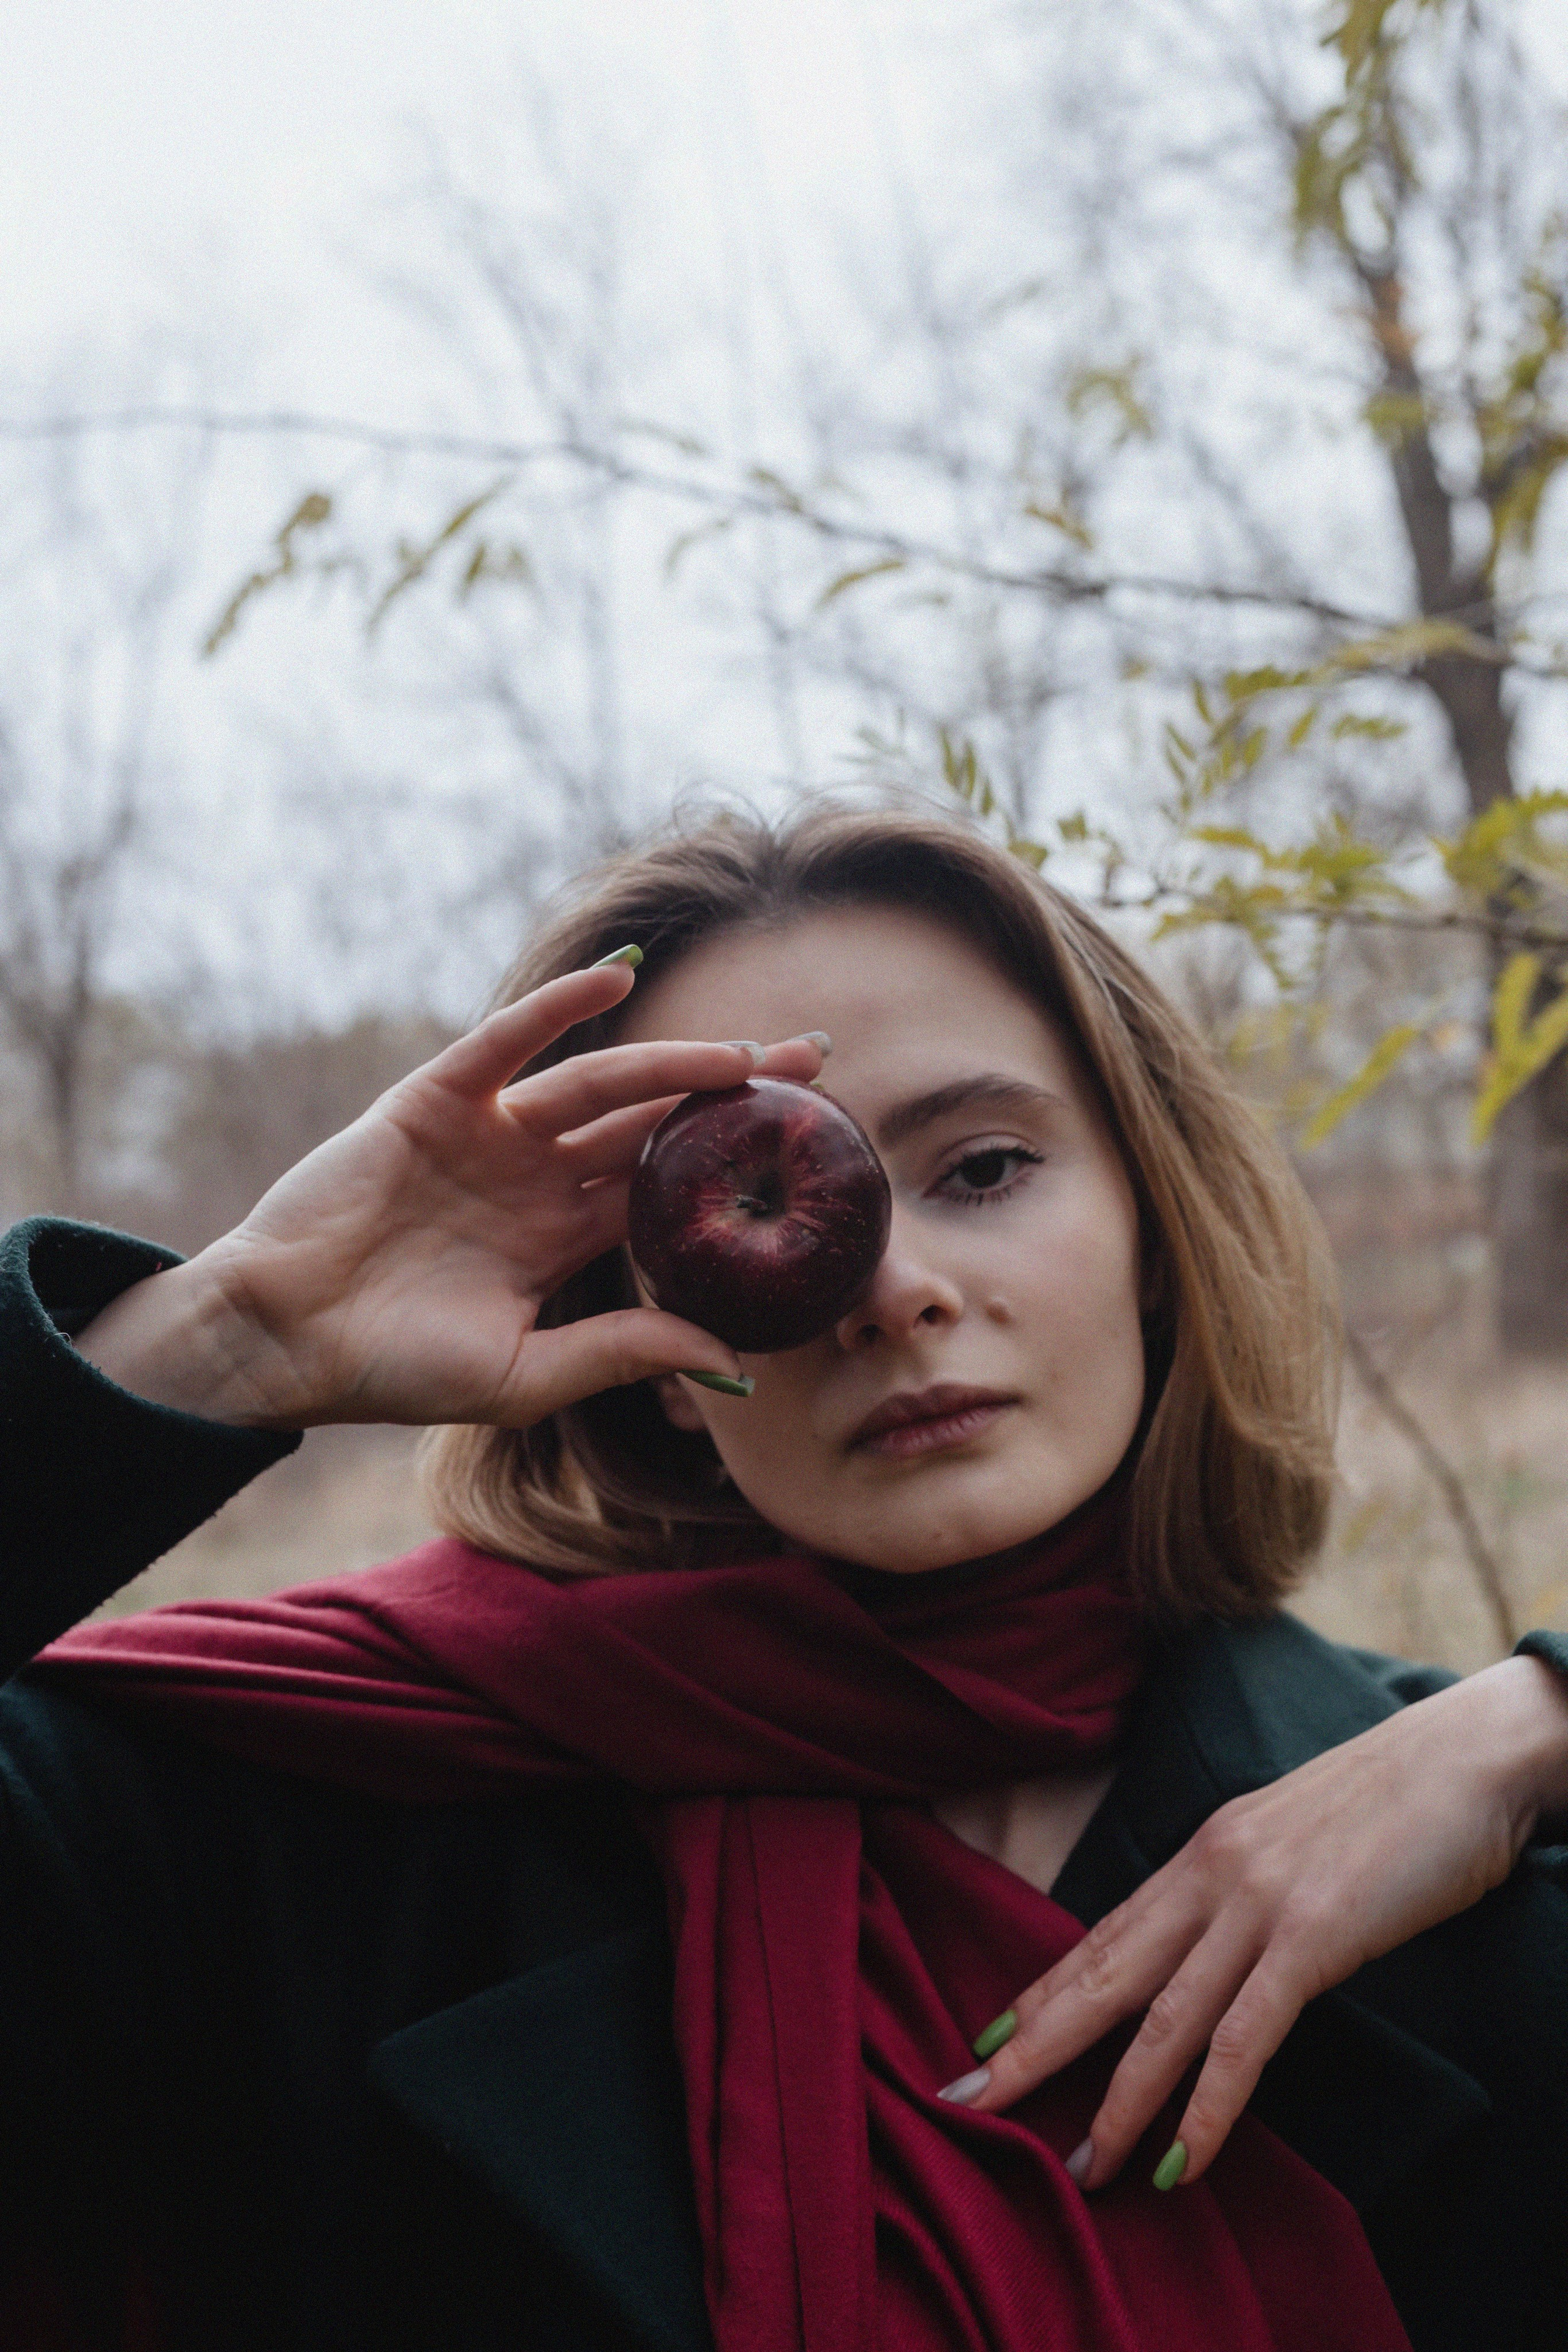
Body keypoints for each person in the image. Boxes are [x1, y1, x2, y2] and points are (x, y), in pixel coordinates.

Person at [2, 799, 1566, 2352]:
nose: (887, 1293)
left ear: (1149, 1229)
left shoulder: (1452, 1834)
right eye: (745, 1204)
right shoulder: (303, 1823)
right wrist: (232, 1341)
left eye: (987, 1167)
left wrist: (1533, 1723)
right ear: (661, 1359)